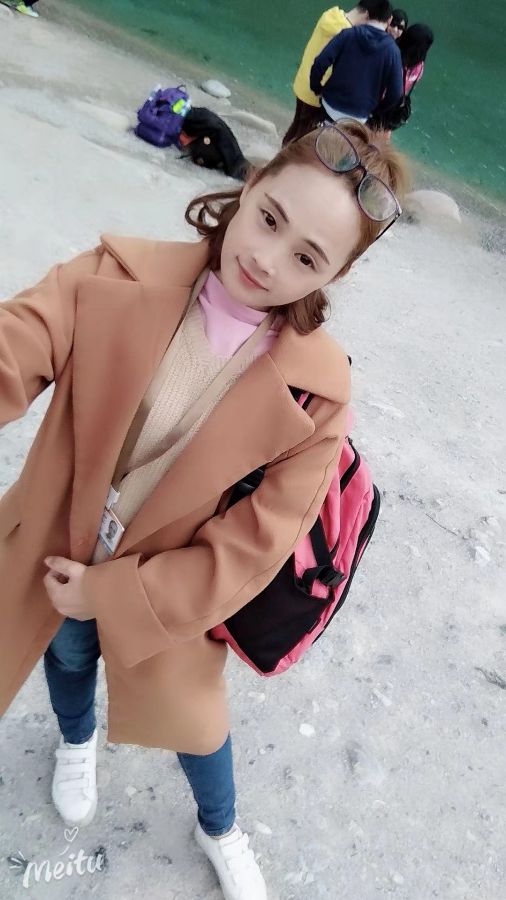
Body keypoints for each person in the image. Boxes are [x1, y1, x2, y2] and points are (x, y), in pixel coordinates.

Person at [0, 121, 407, 900]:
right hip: (61, 548)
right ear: (250, 186)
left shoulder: (318, 397)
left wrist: (109, 593)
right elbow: (21, 338)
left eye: (307, 259)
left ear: (335, 274)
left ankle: (219, 824)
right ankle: (76, 741)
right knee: (67, 656)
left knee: (197, 725)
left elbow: (250, 551)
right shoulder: (113, 274)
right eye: (270, 218)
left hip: (167, 596)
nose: (267, 259)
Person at [283, 1, 390, 145]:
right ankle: (284, 156)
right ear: (366, 15)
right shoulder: (347, 35)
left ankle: (281, 153)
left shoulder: (331, 15)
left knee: (297, 128)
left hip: (303, 82)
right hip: (318, 92)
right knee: (304, 137)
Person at [310, 0, 403, 125]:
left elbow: (320, 62)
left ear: (367, 14)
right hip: (359, 117)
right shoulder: (393, 51)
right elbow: (396, 93)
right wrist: (375, 111)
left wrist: (316, 88)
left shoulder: (348, 34)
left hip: (330, 105)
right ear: (390, 19)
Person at [368, 23, 434, 135]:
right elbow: (406, 89)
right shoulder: (418, 67)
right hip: (388, 111)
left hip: (373, 105)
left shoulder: (391, 54)